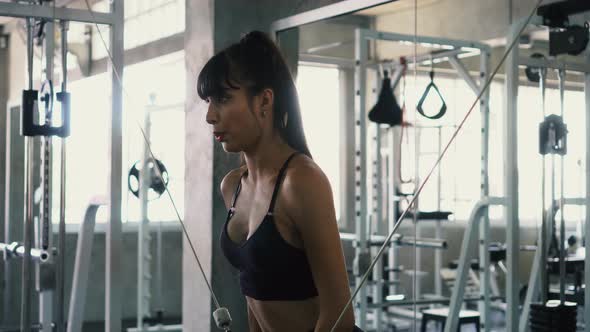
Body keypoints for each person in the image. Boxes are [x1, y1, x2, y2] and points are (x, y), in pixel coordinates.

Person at [197, 31, 360, 332]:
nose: (209, 115)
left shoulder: (302, 181)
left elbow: (340, 316)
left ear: (264, 101)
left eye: (222, 98)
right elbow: (254, 295)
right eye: (208, 100)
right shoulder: (232, 186)